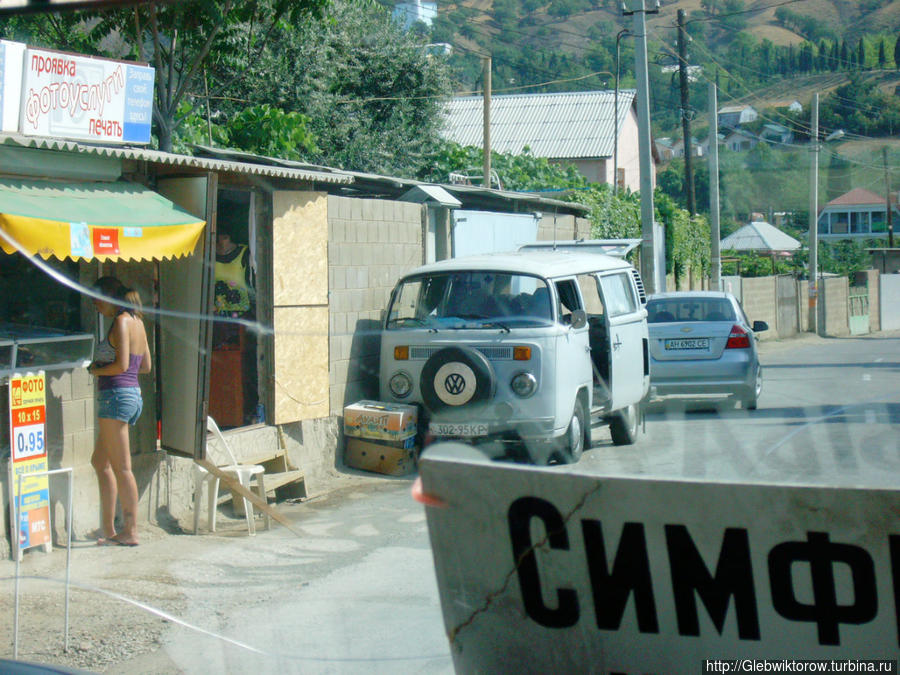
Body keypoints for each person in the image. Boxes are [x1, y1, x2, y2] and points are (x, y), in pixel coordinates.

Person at [89, 276, 151, 547]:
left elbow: (121, 365)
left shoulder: (122, 321)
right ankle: (107, 528)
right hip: (132, 395)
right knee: (100, 463)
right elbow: (145, 366)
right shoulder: (137, 321)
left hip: (115, 396)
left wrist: (95, 370)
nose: (94, 305)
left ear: (107, 297)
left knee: (123, 468)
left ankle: (130, 530)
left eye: (96, 299)